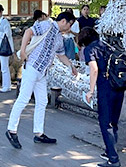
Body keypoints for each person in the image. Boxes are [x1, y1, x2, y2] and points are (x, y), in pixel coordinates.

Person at [5, 12, 78, 149]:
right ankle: (11, 130)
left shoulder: (59, 37)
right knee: (23, 99)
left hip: (42, 72)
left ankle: (39, 133)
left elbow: (61, 55)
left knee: (42, 101)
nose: (69, 28)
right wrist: (22, 51)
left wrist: (71, 66)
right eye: (70, 24)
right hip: (32, 66)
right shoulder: (47, 25)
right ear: (63, 21)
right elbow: (28, 31)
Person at [79, 26, 124, 167]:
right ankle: (109, 151)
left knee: (105, 123)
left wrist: (90, 91)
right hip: (118, 85)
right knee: (114, 122)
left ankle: (113, 160)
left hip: (105, 88)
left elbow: (94, 69)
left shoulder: (89, 49)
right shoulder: (106, 45)